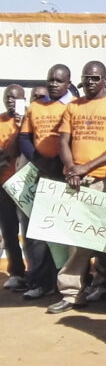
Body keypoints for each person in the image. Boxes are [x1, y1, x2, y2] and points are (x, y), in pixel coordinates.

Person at [47, 61, 106, 314]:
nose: (92, 82)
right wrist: (72, 168)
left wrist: (87, 167)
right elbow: (63, 141)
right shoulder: (73, 106)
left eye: (96, 78)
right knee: (77, 241)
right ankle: (72, 293)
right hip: (77, 182)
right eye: (88, 78)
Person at [17, 64, 73, 299]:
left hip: (68, 176)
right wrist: (40, 160)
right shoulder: (36, 107)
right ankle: (40, 283)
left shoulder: (75, 106)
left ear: (68, 84)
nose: (53, 84)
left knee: (68, 233)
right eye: (50, 80)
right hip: (41, 173)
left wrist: (64, 166)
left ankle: (69, 284)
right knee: (39, 232)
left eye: (58, 81)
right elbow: (24, 138)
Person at [0, 85, 27, 291]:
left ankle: (38, 275)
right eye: (8, 97)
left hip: (27, 185)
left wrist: (21, 127)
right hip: (4, 185)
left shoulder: (29, 120)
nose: (11, 100)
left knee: (31, 234)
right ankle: (17, 273)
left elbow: (16, 149)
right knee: (9, 232)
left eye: (16, 98)